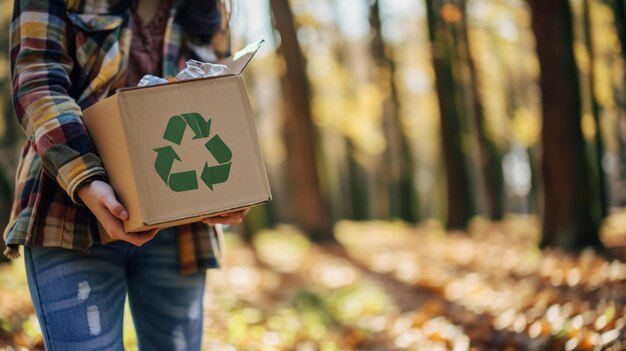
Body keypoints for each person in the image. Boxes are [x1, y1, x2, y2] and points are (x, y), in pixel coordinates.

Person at [5, 0, 247, 349]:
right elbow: (37, 81)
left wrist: (236, 185)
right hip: (71, 215)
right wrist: (86, 178)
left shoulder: (210, 9)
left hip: (179, 226)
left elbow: (221, 99)